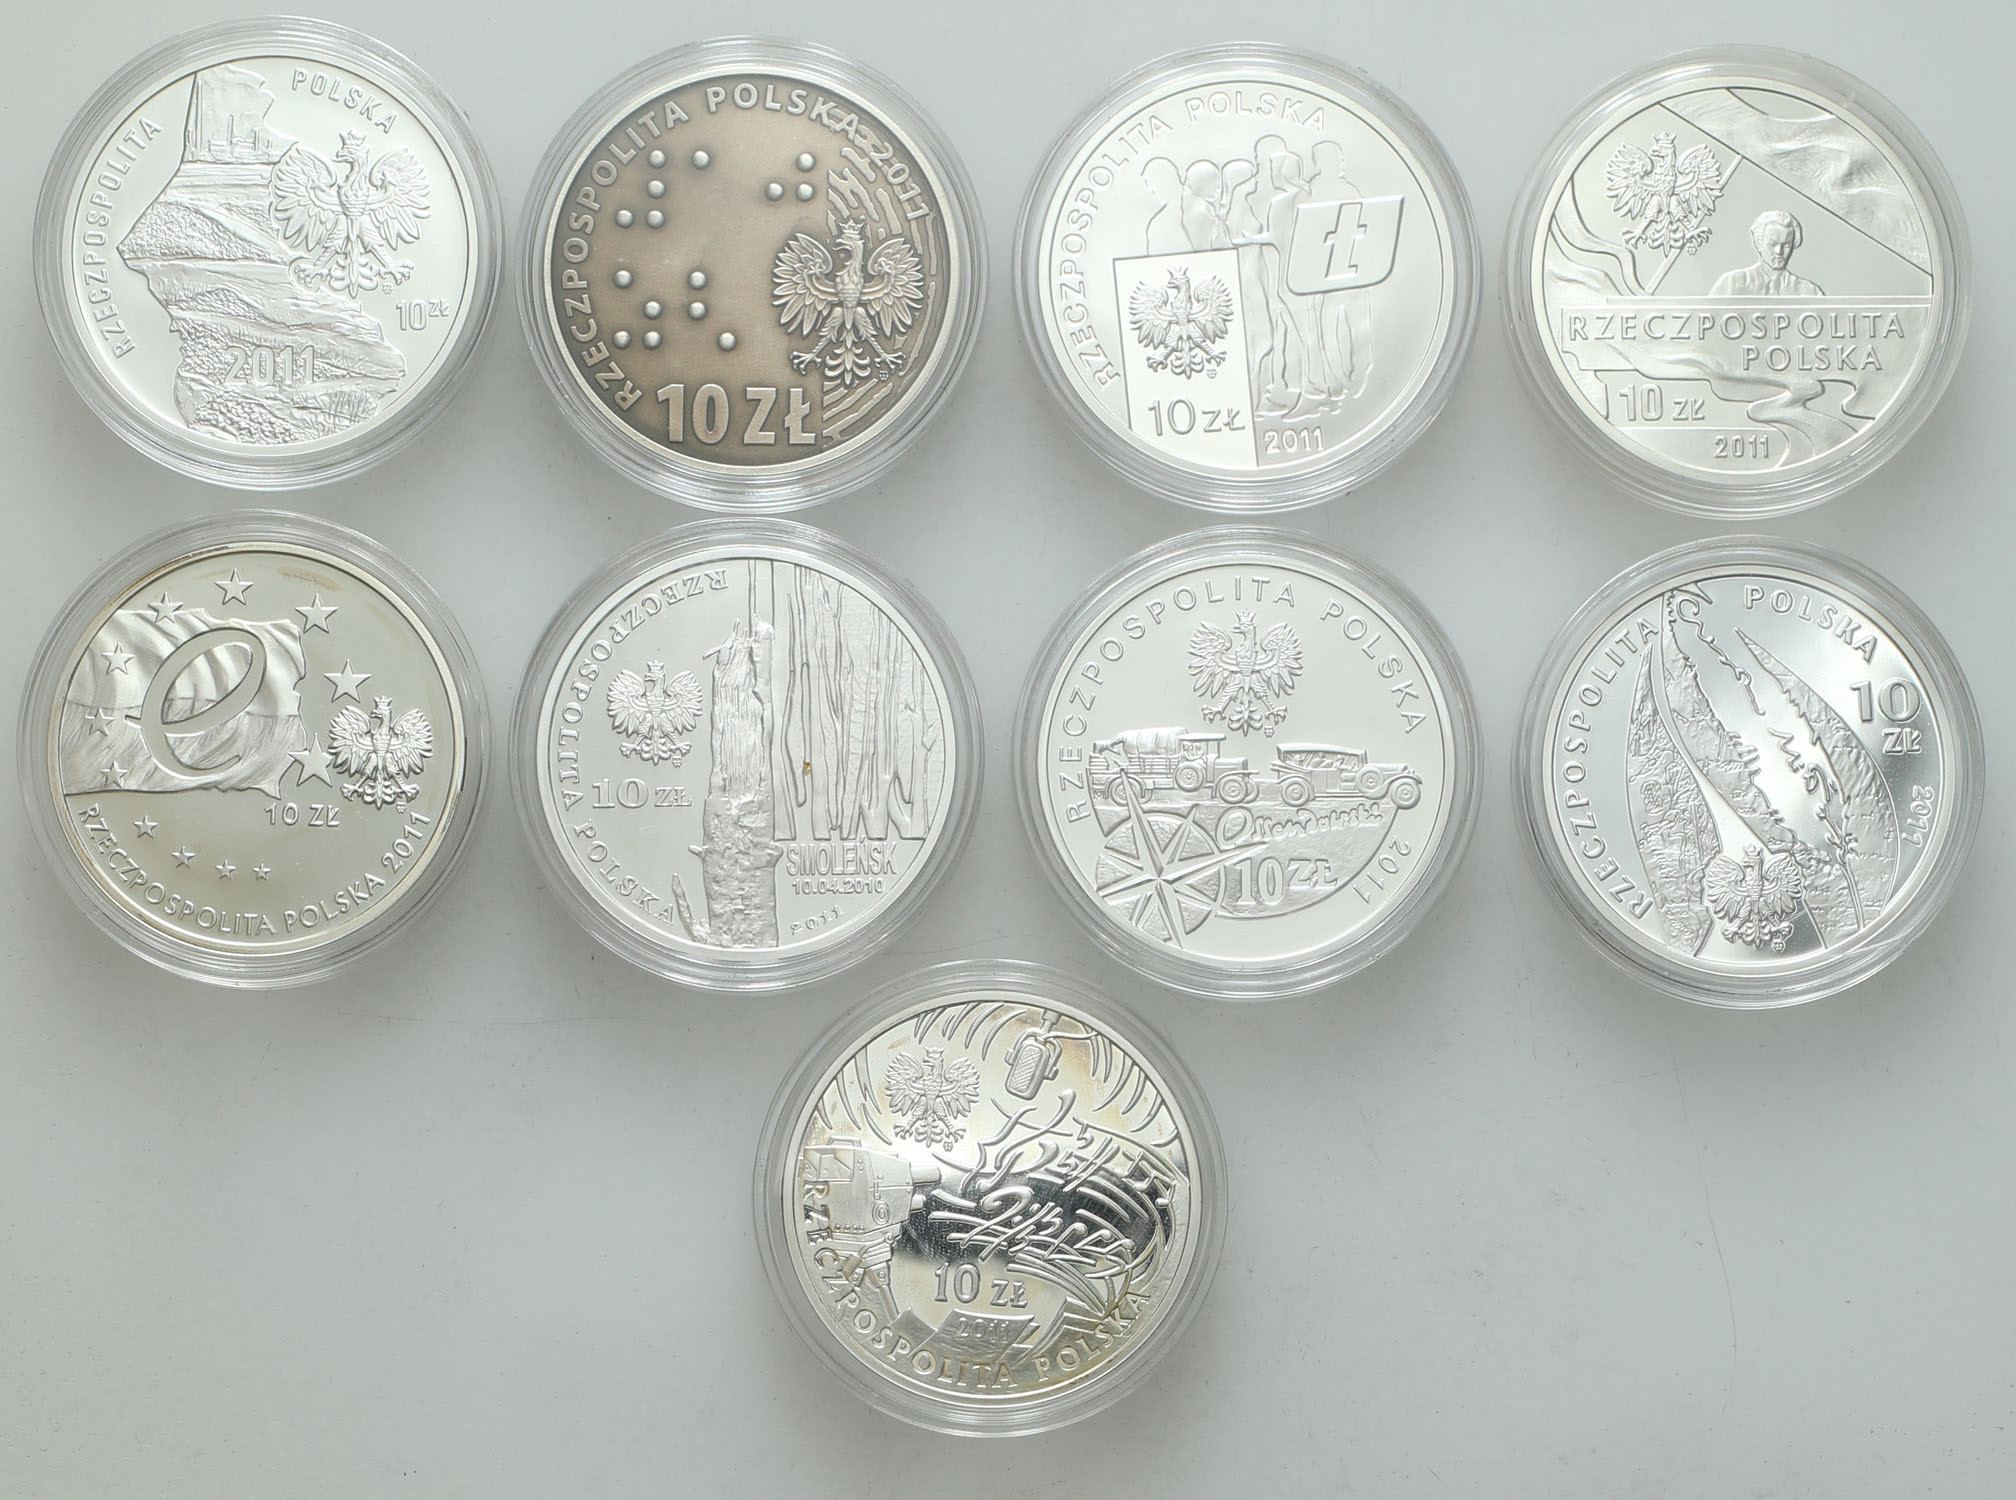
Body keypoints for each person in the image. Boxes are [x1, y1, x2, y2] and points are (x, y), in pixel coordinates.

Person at [1711, 210, 1824, 296]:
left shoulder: (1808, 291)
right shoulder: (1731, 284)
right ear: (1758, 243)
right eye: (1773, 244)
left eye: (1786, 245)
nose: (1779, 251)